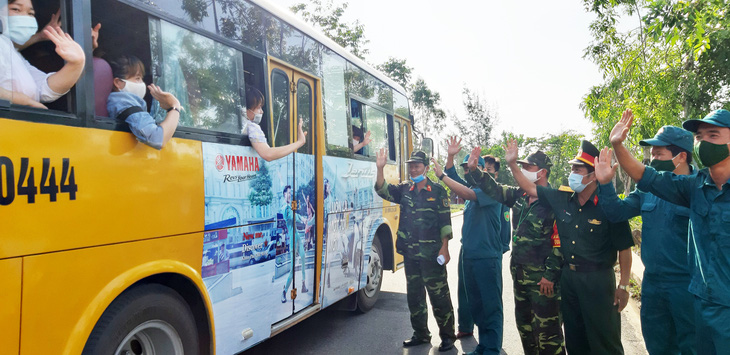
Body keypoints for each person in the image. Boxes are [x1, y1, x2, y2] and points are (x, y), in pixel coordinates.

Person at [606, 109, 730, 354]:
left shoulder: (690, 186)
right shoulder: (694, 188)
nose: (704, 142)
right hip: (695, 296)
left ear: (681, 156)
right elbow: (645, 178)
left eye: (713, 135)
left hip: (695, 291)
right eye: (699, 136)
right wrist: (617, 147)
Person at [503, 139, 634, 354]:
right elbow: (529, 187)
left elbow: (625, 248)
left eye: (578, 168)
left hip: (598, 281)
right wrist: (512, 164)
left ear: (593, 174)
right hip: (569, 280)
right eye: (572, 167)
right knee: (575, 339)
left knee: (604, 340)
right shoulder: (563, 199)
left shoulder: (609, 205)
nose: (572, 172)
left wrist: (624, 285)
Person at [596, 125, 697, 354]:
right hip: (653, 284)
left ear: (681, 156)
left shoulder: (700, 188)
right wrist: (604, 184)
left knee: (691, 346)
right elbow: (616, 213)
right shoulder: (647, 191)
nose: (652, 159)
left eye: (658, 153)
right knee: (657, 345)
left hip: (687, 285)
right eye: (651, 154)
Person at [464, 146, 565, 355]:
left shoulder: (556, 199)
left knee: (548, 337)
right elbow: (494, 189)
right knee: (526, 330)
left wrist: (550, 275)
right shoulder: (520, 195)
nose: (524, 169)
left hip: (543, 282)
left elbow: (560, 243)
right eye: (523, 166)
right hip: (520, 277)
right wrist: (475, 171)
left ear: (543, 172)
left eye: (529, 166)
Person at [374, 149, 456, 352]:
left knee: (439, 297)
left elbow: (445, 223)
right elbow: (382, 189)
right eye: (411, 166)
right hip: (411, 254)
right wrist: (380, 168)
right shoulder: (404, 189)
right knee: (415, 296)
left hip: (432, 254)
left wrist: (444, 249)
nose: (413, 169)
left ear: (426, 169)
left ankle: (447, 337)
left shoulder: (437, 192)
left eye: (417, 166)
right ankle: (421, 334)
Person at [431, 137, 505, 355]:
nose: (467, 172)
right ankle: (483, 346)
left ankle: (492, 349)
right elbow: (454, 178)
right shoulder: (472, 186)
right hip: (470, 256)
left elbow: (463, 190)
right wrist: (451, 157)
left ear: (482, 170)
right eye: (466, 168)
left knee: (491, 306)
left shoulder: (492, 189)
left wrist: (442, 176)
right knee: (478, 305)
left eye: (472, 167)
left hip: (487, 257)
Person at [0, 0, 85, 108]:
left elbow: (44, 89)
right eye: (16, 9)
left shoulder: (9, 49)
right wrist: (25, 101)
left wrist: (77, 63)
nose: (25, 18)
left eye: (30, 13)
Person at [107, 55, 181, 150]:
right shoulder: (125, 102)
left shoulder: (117, 101)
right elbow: (157, 139)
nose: (142, 84)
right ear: (118, 83)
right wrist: (174, 106)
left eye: (142, 79)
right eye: (137, 78)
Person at [243, 85, 307, 162]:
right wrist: (300, 142)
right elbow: (267, 154)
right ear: (246, 110)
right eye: (258, 107)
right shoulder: (251, 127)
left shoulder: (230, 122)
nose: (261, 112)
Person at [280, 186, 312, 303]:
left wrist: (302, 218)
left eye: (290, 193)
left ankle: (303, 284)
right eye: (288, 193)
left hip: (297, 237)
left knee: (303, 258)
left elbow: (296, 214)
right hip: (293, 240)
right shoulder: (285, 208)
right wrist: (302, 219)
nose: (290, 194)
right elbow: (292, 216)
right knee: (293, 270)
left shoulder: (290, 206)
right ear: (284, 194)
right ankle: (284, 291)